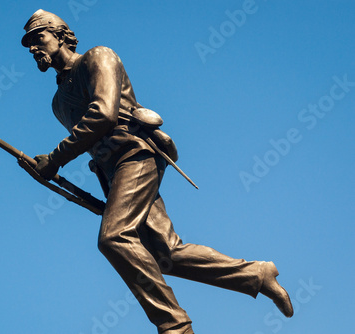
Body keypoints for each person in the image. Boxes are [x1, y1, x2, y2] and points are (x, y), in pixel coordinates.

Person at [20, 9, 293, 334]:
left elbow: (104, 115)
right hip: (112, 174)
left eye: (39, 38)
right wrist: (47, 167)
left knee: (114, 238)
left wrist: (54, 159)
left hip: (136, 155)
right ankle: (257, 275)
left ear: (61, 34)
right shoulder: (57, 103)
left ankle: (174, 326)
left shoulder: (98, 57)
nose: (34, 48)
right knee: (167, 252)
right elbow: (91, 144)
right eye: (28, 45)